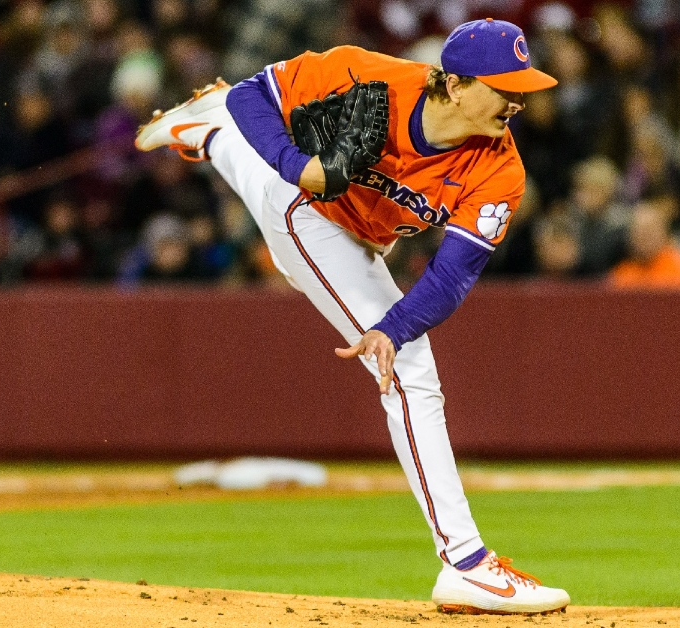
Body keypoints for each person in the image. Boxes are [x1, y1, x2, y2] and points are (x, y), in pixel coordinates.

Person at [135, 19, 569, 615]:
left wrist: (390, 327)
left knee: (401, 341)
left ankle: (208, 132)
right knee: (412, 374)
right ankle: (467, 564)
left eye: (522, 88)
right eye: (504, 86)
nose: (517, 101)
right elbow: (252, 96)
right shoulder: (370, 75)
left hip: (364, 236)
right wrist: (300, 166)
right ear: (457, 84)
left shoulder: (501, 169)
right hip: (307, 211)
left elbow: (451, 277)